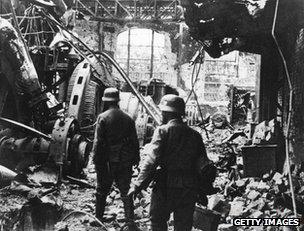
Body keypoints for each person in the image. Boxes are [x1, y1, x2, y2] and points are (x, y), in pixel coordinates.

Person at [128, 94, 209, 231]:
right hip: (188, 187)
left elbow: (151, 162)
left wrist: (137, 185)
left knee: (157, 221)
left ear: (166, 113)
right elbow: (203, 165)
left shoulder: (162, 131)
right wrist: (201, 189)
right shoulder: (195, 135)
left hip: (165, 186)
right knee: (183, 226)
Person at [92, 87, 140, 230]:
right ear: (118, 100)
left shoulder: (103, 117)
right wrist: (136, 159)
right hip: (124, 160)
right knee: (126, 190)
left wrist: (95, 159)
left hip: (107, 161)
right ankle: (130, 221)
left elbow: (98, 142)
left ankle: (99, 218)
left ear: (106, 101)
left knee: (101, 190)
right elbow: (135, 141)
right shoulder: (128, 118)